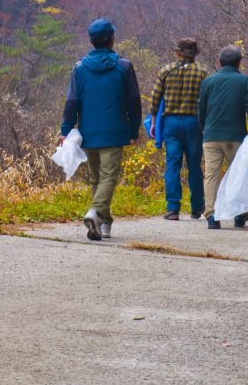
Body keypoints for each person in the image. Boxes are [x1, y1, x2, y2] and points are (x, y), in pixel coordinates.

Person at [59, 18, 142, 241]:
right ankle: (96, 212)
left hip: (88, 132)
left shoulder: (79, 68)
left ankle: (104, 224)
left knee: (97, 179)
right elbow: (134, 101)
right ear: (112, 39)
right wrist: (134, 130)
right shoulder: (124, 66)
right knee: (109, 177)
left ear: (91, 41)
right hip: (115, 131)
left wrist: (66, 130)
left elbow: (72, 101)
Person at [197, 45, 248, 229]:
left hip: (211, 136)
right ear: (239, 62)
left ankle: (211, 216)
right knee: (239, 175)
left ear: (220, 62)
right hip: (236, 136)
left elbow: (201, 109)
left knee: (211, 175)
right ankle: (240, 214)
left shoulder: (208, 82)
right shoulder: (245, 82)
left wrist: (204, 128)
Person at [147, 38, 208, 220]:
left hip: (171, 123)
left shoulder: (166, 70)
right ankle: (197, 207)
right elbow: (206, 100)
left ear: (178, 53)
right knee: (194, 166)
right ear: (194, 54)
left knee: (172, 165)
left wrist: (153, 121)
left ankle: (173, 208)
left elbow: (155, 98)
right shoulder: (202, 72)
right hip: (194, 123)